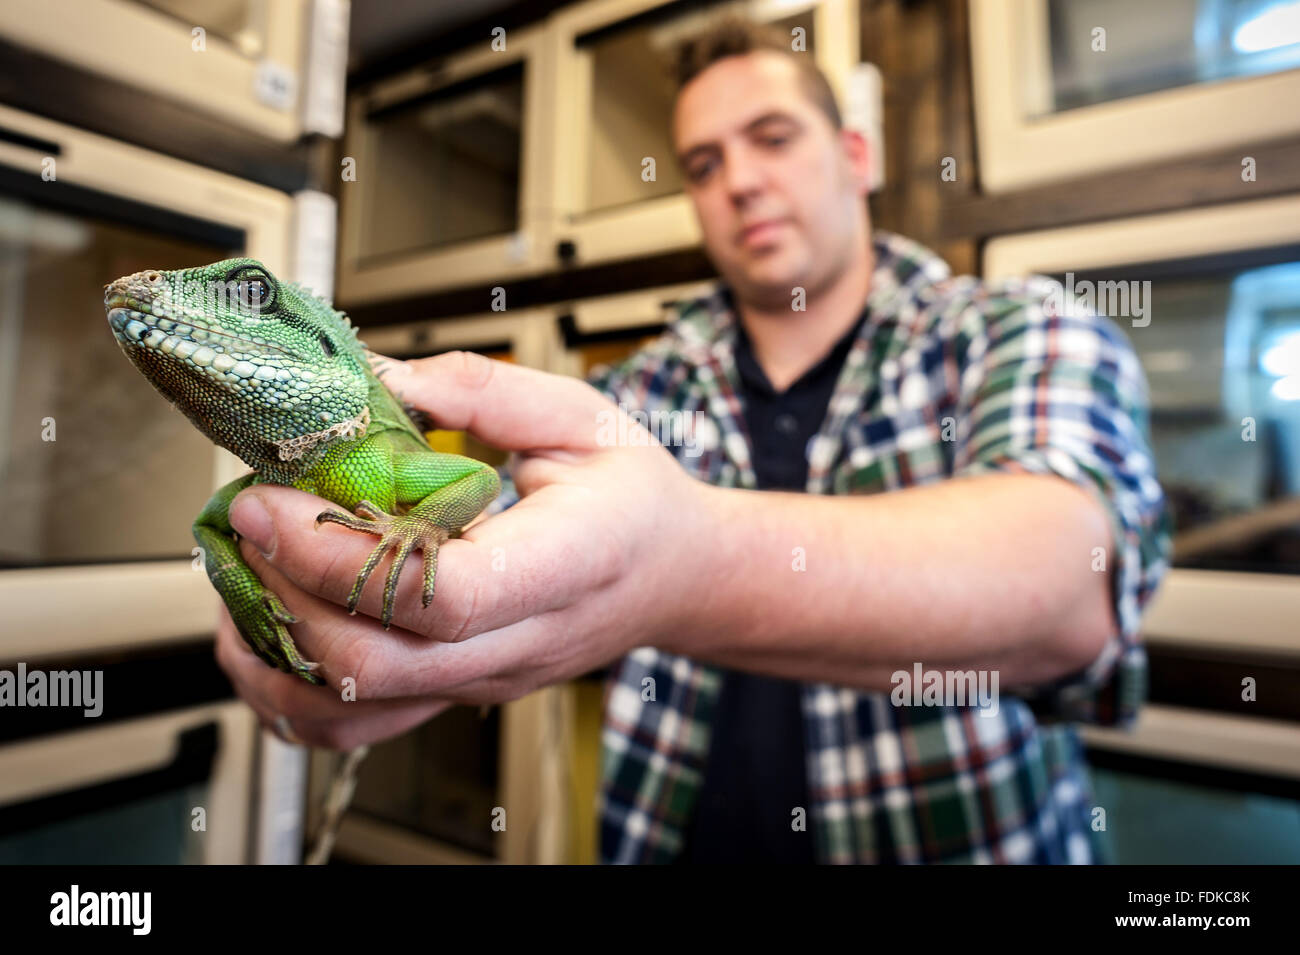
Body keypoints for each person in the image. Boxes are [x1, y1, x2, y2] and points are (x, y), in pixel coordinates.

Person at [216, 16, 1173, 864]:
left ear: (857, 154)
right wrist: (348, 621)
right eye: (705, 164)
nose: (741, 182)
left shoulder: (1014, 330)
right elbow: (487, 549)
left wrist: (684, 565)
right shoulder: (644, 388)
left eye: (772, 138)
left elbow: (1068, 584)